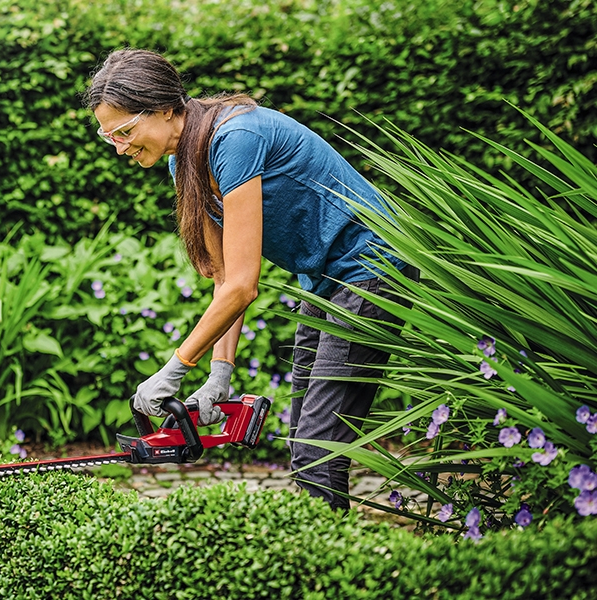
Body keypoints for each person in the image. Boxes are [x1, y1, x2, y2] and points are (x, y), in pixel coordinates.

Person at [85, 48, 414, 510]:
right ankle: (318, 552)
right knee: (304, 443)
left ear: (163, 108)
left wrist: (173, 369)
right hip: (324, 280)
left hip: (373, 268)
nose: (120, 147)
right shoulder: (185, 163)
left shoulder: (235, 138)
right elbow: (224, 279)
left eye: (125, 131)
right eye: (109, 137)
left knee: (319, 451)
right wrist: (220, 374)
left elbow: (244, 284)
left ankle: (326, 566)